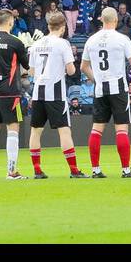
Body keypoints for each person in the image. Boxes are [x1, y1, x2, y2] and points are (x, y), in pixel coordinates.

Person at [80, 7, 131, 178]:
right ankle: (126, 169)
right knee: (121, 129)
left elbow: (83, 67)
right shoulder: (122, 39)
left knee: (97, 129)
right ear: (116, 20)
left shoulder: (91, 40)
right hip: (118, 87)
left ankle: (95, 170)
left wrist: (96, 79)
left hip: (100, 89)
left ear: (102, 19)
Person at [26, 12, 86, 179]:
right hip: (56, 93)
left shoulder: (37, 44)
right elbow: (71, 70)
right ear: (63, 27)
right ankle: (74, 170)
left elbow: (30, 71)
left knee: (35, 132)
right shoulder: (62, 44)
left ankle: (37, 170)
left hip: (38, 92)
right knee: (64, 131)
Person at [0, 9, 29, 179]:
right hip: (9, 91)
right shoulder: (15, 41)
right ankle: (12, 171)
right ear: (10, 22)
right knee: (13, 129)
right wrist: (28, 48)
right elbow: (26, 65)